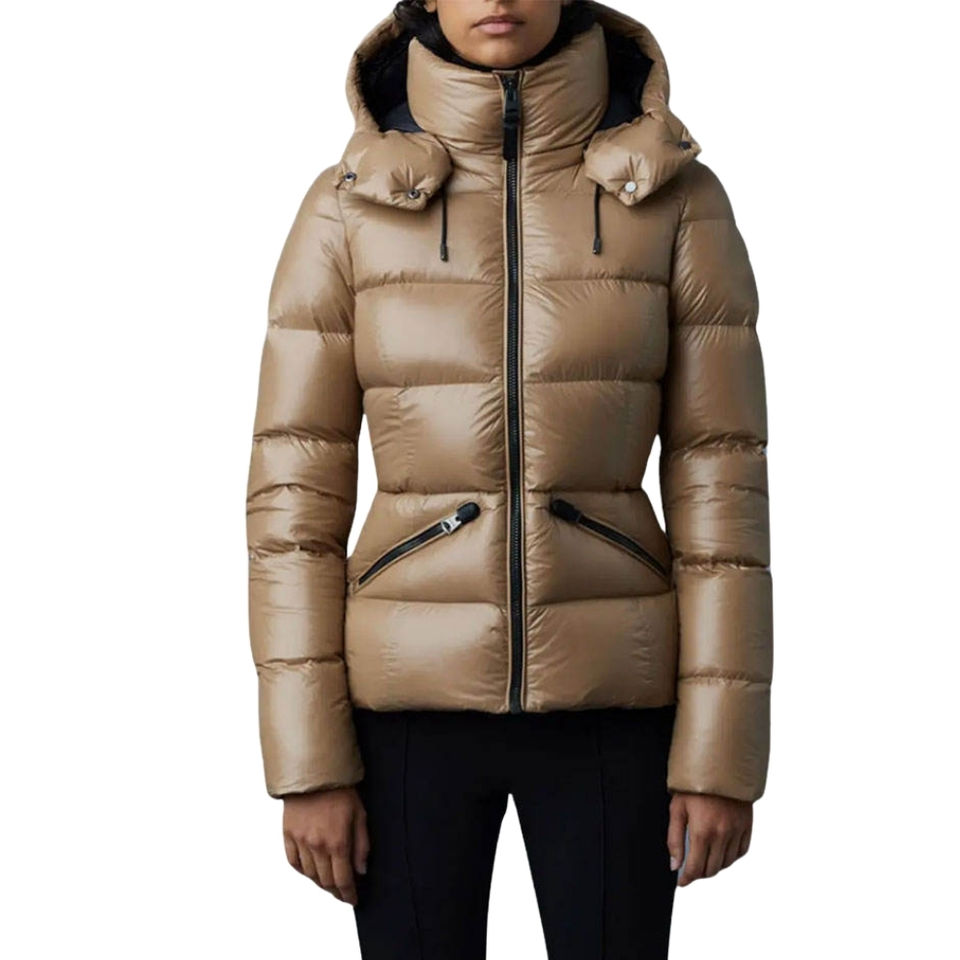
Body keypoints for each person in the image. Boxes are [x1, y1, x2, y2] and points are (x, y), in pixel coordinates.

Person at [245, 1, 773, 956]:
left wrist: (720, 754)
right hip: (402, 707)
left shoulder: (675, 198)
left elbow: (723, 484)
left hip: (616, 700)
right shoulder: (347, 206)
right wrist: (308, 760)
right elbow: (292, 500)